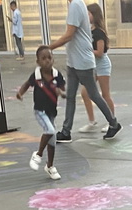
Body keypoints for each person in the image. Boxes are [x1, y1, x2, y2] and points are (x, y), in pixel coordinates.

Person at [49, 0, 121, 143]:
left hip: (82, 62)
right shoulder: (77, 4)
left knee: (94, 94)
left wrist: (49, 47)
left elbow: (69, 34)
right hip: (74, 62)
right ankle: (66, 131)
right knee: (71, 96)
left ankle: (113, 123)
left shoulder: (76, 5)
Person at [16, 45, 66, 181]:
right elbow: (27, 84)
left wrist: (61, 93)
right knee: (50, 130)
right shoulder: (36, 76)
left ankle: (50, 166)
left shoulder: (57, 75)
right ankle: (37, 154)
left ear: (53, 59)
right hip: (40, 111)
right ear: (38, 61)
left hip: (51, 111)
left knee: (52, 141)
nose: (47, 61)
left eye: (49, 58)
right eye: (43, 58)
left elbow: (63, 90)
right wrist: (20, 93)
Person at [79, 3, 114, 134]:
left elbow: (99, 52)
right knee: (84, 93)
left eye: (88, 14)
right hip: (92, 65)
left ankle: (111, 121)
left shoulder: (99, 32)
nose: (86, 16)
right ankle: (91, 121)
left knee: (105, 94)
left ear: (94, 15)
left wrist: (86, 51)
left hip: (102, 65)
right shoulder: (89, 30)